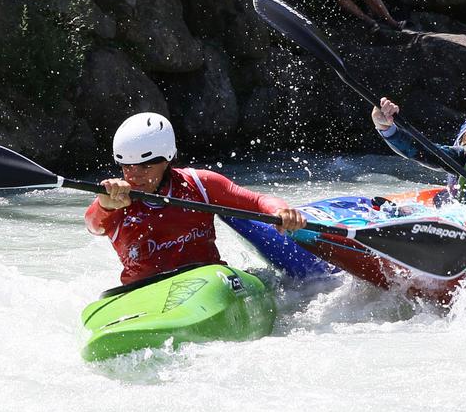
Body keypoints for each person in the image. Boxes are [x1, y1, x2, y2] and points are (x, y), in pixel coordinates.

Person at [85, 112, 307, 285]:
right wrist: (104, 205)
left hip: (206, 282)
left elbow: (258, 201)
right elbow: (93, 226)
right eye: (127, 167)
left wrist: (281, 211)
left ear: (167, 159)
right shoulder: (114, 197)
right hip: (143, 291)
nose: (134, 176)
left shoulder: (199, 184)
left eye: (146, 166)